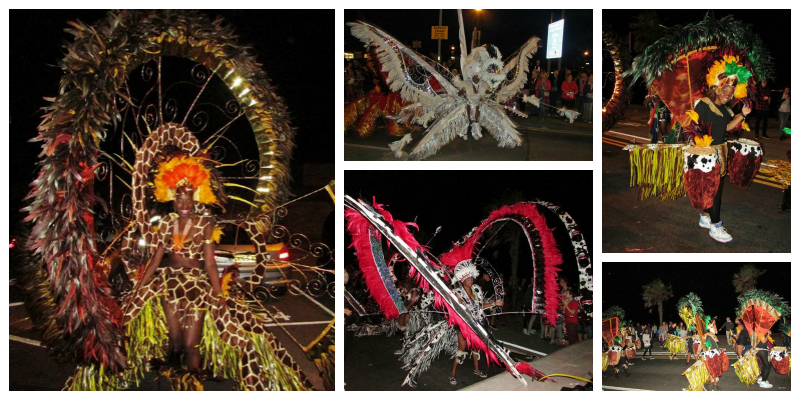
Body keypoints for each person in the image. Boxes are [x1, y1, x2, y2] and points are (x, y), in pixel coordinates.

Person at [693, 82, 752, 243]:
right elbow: (692, 126)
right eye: (725, 90)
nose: (727, 95)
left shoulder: (726, 110)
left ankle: (705, 216)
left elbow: (726, 127)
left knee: (712, 187)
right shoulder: (704, 104)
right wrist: (700, 149)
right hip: (706, 152)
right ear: (717, 89)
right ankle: (715, 225)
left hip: (720, 151)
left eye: (731, 93)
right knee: (714, 189)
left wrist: (742, 114)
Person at [449, 261, 503, 385]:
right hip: (464, 324)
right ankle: (452, 373)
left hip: (478, 322)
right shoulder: (458, 292)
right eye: (467, 278)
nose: (470, 280)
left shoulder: (477, 289)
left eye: (471, 278)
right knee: (461, 348)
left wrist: (495, 303)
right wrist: (465, 309)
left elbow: (481, 306)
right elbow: (457, 309)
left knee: (476, 347)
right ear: (462, 280)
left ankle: (477, 369)